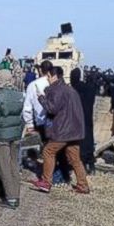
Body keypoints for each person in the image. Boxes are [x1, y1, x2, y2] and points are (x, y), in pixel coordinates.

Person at [30, 66, 90, 194]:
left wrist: (41, 97)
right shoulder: (70, 90)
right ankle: (83, 185)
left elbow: (52, 109)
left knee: (48, 151)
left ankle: (46, 182)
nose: (48, 79)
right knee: (75, 158)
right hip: (75, 131)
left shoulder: (58, 90)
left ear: (54, 76)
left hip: (63, 130)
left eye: (49, 77)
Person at [0, 68, 25, 208]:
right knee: (14, 165)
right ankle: (16, 194)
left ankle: (11, 198)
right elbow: (22, 117)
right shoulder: (19, 95)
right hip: (16, 134)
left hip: (1, 136)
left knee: (4, 166)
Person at [69, 67, 97, 172]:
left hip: (77, 120)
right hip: (88, 118)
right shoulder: (90, 88)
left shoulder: (75, 89)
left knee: (80, 143)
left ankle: (83, 164)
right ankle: (91, 164)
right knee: (89, 140)